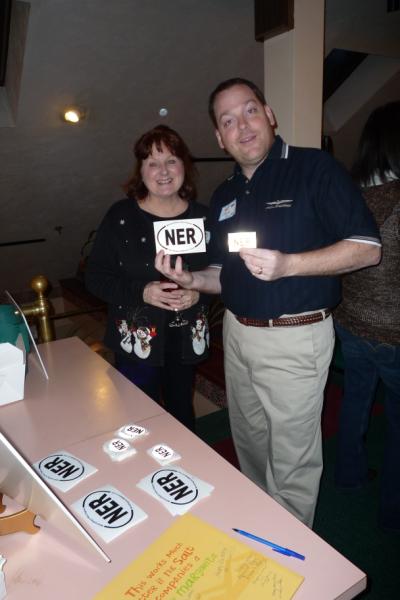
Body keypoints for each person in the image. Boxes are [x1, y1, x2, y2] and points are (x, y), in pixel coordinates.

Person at [155, 77, 381, 527]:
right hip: (238, 335)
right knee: (251, 445)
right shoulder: (224, 194)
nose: (242, 126)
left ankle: (289, 549)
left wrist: (289, 265)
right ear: (219, 137)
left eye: (250, 111)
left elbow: (367, 248)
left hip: (295, 336)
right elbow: (223, 272)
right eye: (228, 121)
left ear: (270, 115)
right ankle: (262, 528)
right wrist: (192, 280)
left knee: (292, 462)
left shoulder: (314, 168)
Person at [85, 125, 210, 431]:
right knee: (139, 420)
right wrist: (142, 292)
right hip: (136, 344)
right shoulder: (121, 217)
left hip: (185, 341)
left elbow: (223, 275)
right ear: (140, 171)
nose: (163, 171)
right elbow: (95, 277)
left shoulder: (204, 217)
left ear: (184, 166)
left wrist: (199, 292)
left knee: (182, 415)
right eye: (153, 163)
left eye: (171, 161)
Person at [333, 101, 400, 532]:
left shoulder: (347, 194)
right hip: (394, 334)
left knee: (355, 400)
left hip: (350, 324)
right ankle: (392, 514)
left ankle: (349, 474)